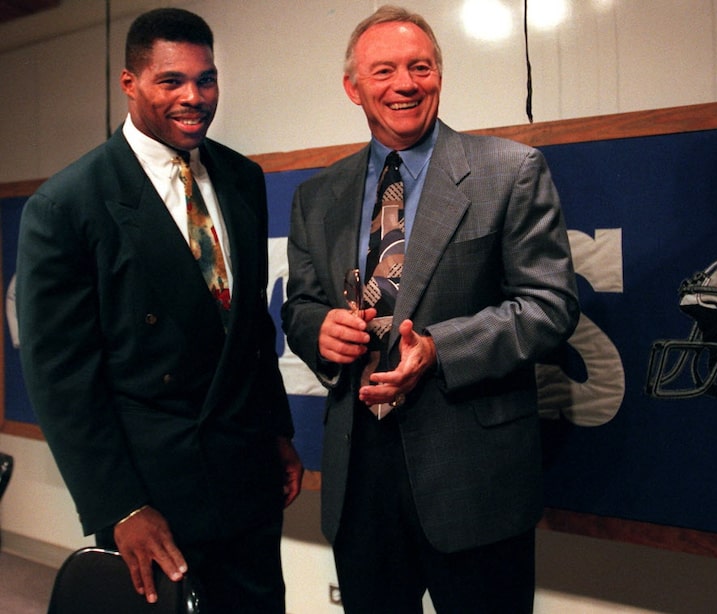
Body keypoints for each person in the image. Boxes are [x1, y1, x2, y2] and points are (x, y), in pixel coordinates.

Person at [281, 5, 579, 612]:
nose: (406, 84)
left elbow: (550, 305)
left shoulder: (510, 171)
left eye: (421, 66)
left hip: (475, 482)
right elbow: (300, 306)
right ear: (353, 87)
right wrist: (320, 332)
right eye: (384, 70)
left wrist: (441, 349)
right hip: (359, 481)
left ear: (439, 75)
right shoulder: (317, 195)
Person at [16, 8, 302, 613]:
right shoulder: (68, 204)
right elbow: (63, 380)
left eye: (207, 79)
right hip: (154, 502)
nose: (194, 97)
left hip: (248, 478)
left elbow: (251, 327)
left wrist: (277, 431)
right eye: (171, 81)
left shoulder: (241, 177)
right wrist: (119, 506)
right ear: (130, 83)